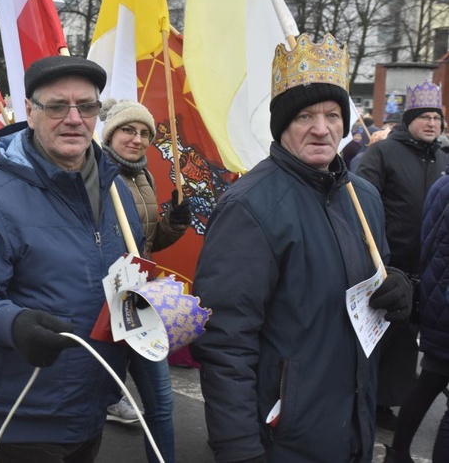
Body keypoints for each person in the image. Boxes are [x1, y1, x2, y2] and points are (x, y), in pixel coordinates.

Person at [190, 33, 413, 462]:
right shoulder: (250, 207)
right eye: (304, 115)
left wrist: (401, 289)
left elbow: (375, 283)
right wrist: (238, 449)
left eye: (332, 114)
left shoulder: (362, 196)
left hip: (352, 423)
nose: (321, 128)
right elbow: (225, 343)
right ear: (282, 125)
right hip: (284, 435)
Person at [0, 55, 143, 462]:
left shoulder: (117, 194)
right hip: (23, 414)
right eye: (57, 106)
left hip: (91, 404)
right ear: (29, 111)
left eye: (86, 106)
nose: (74, 118)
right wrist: (13, 323)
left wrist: (157, 310)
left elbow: (126, 281)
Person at [98, 98, 190, 462]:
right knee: (88, 404)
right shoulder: (93, 174)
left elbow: (147, 244)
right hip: (103, 303)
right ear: (110, 133)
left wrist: (176, 222)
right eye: (127, 130)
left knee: (161, 404)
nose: (136, 140)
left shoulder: (144, 175)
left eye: (143, 133)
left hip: (140, 302)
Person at [357, 81, 449, 430]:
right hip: (386, 262)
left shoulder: (442, 158)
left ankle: (383, 403)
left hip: (424, 269)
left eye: (436, 118)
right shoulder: (382, 153)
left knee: (405, 343)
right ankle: (362, 398)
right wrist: (376, 252)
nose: (431, 123)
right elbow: (365, 202)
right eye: (424, 117)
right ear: (409, 119)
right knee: (378, 335)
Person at [383, 165, 449, 462]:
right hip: (442, 301)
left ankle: (398, 453)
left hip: (438, 300)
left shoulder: (442, 181)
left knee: (430, 381)